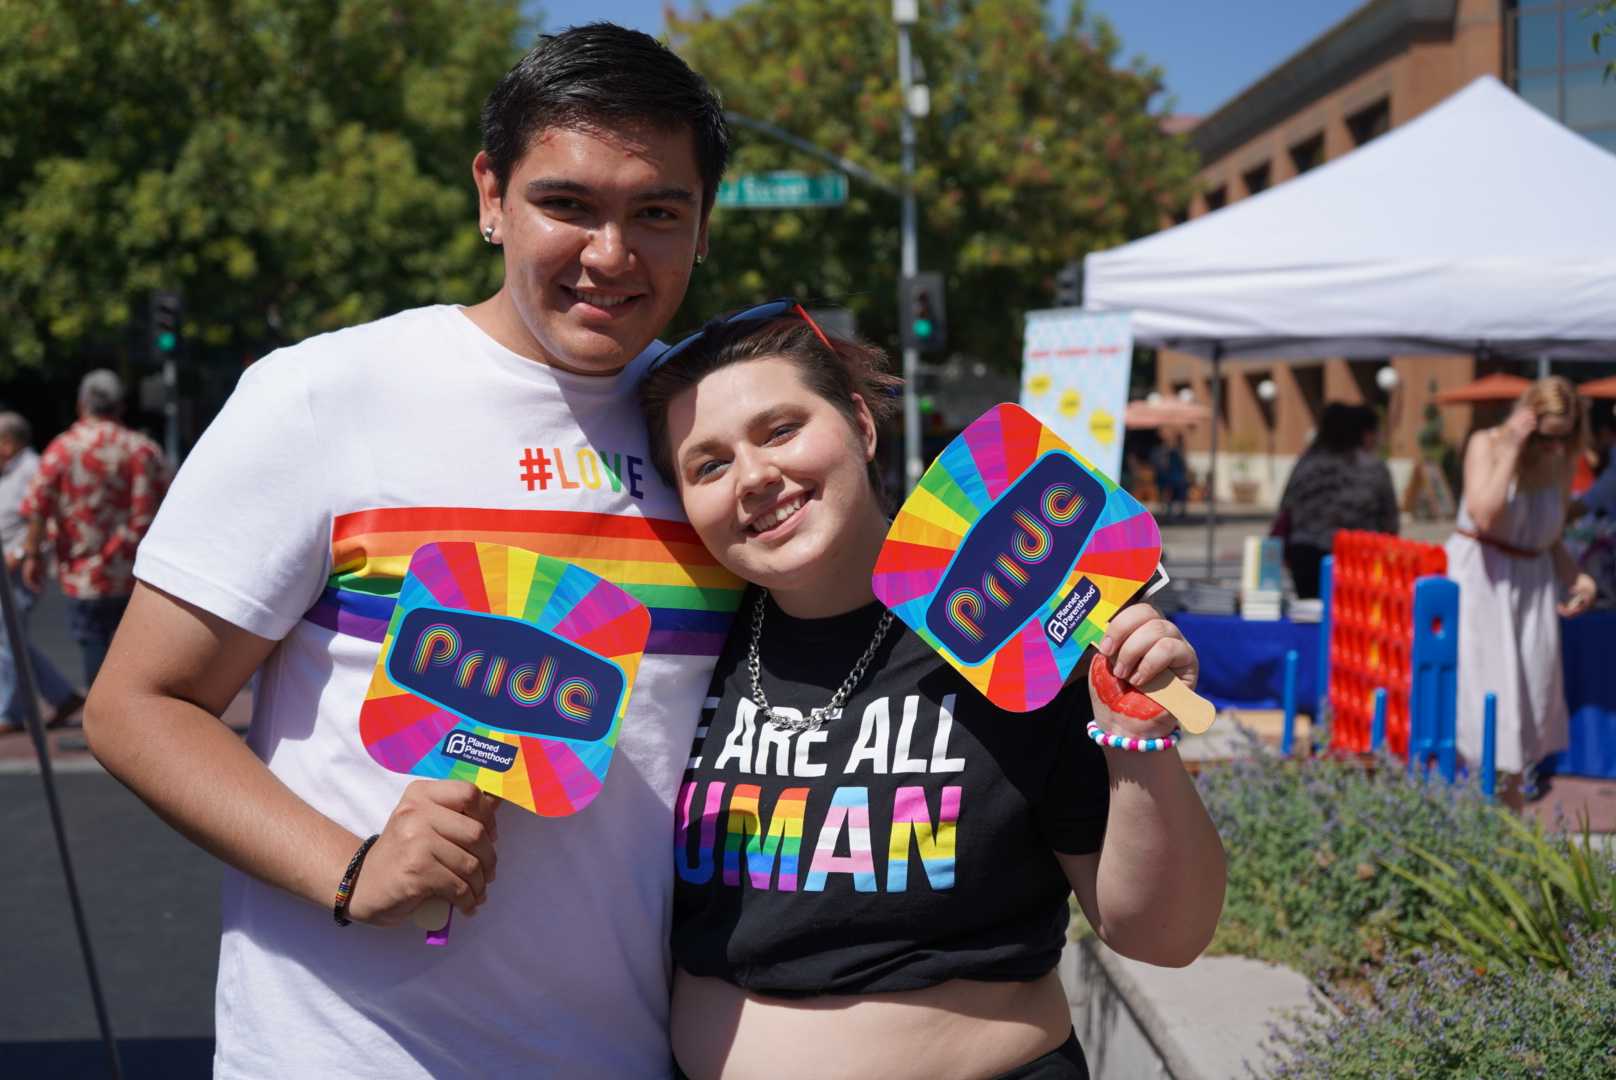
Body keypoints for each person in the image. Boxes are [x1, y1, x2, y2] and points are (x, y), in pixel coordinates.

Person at [84, 26, 737, 1078]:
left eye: (656, 213)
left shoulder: (717, 431)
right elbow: (137, 704)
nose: (610, 255)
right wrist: (350, 873)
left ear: (703, 227)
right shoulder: (325, 394)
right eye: (565, 204)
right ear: (491, 196)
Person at [638, 304, 1227, 1080]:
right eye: (708, 465)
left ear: (860, 423)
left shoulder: (1007, 630)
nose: (753, 477)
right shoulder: (679, 656)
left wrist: (1138, 738)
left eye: (780, 430)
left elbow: (1165, 936)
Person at [1446, 376, 1598, 802]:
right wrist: (1512, 448)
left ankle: (1508, 812)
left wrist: (1577, 578)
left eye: (1563, 438)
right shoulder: (1487, 444)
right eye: (1545, 438)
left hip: (1531, 588)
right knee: (1486, 702)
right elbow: (1485, 514)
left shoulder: (1561, 460)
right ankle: (1485, 813)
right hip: (1486, 584)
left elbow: (1548, 537)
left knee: (1527, 704)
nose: (1553, 448)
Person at [19, 371, 169, 685]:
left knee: (93, 641)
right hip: (139, 569)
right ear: (120, 406)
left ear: (81, 404)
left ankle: (102, 724)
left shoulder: (63, 448)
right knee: (137, 647)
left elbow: (38, 505)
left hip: (83, 571)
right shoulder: (143, 449)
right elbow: (171, 502)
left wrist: (31, 554)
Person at [0, 412, 83, 733]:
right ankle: (62, 696)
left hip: (19, 570)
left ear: (9, 442)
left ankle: (9, 712)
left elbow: (44, 520)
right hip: (8, 571)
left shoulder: (31, 470)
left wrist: (21, 553)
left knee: (7, 643)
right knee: (13, 641)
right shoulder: (10, 471)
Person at [1276, 402, 1398, 599]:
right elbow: (1390, 521)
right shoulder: (1373, 467)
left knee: (1310, 618)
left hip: (1306, 554)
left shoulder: (1307, 463)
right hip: (1357, 555)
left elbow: (1285, 507)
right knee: (1352, 620)